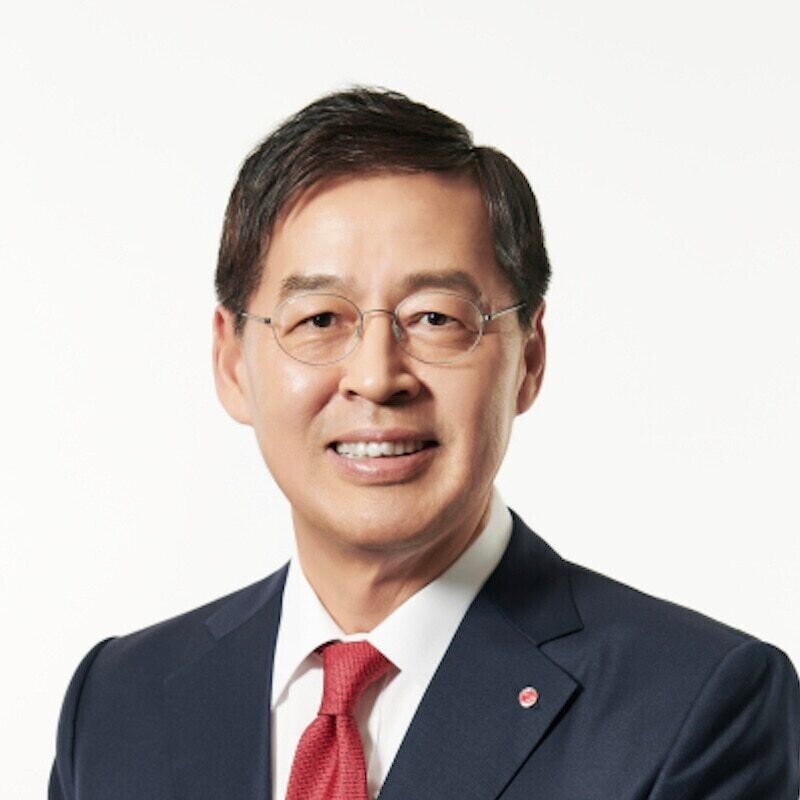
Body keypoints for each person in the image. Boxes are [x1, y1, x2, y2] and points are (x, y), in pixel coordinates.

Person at [50, 87, 800, 800]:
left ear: (529, 358)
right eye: (320, 320)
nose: (377, 378)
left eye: (436, 318)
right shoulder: (117, 702)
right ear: (231, 361)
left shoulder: (694, 705)